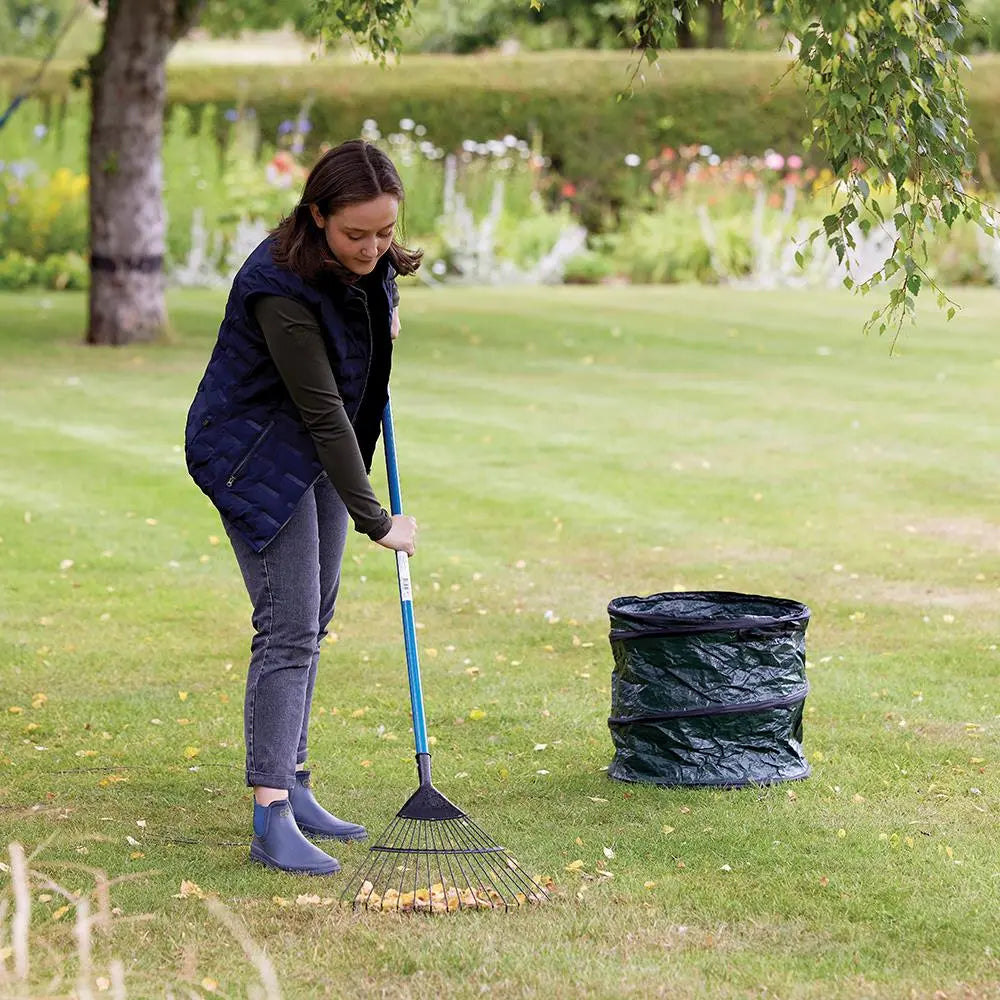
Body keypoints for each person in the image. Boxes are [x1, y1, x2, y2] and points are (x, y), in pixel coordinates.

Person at [184, 140, 420, 875]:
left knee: (314, 617)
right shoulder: (278, 286)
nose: (374, 247)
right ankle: (270, 815)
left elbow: (354, 367)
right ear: (316, 215)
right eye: (357, 234)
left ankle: (297, 782)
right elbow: (320, 410)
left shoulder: (366, 262)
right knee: (287, 628)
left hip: (315, 446)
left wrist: (387, 318)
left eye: (386, 232)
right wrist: (378, 520)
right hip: (252, 454)